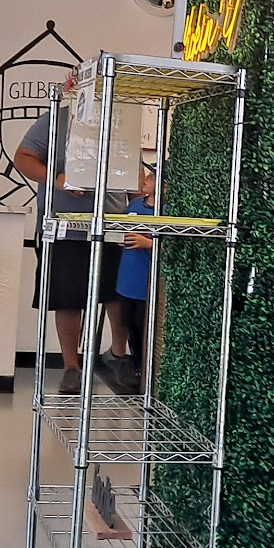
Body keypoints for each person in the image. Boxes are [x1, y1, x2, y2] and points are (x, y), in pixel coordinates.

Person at [13, 71, 122, 396]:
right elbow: (23, 158)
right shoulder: (57, 118)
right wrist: (58, 180)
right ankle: (71, 367)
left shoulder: (120, 121)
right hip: (64, 227)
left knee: (117, 294)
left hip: (111, 223)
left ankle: (119, 357)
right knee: (68, 297)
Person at [111, 167, 157, 392]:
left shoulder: (166, 211)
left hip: (146, 282)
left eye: (152, 177)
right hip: (127, 280)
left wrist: (149, 243)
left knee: (147, 326)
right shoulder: (135, 205)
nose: (146, 179)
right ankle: (137, 365)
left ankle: (149, 371)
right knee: (131, 325)